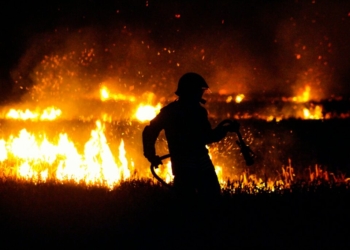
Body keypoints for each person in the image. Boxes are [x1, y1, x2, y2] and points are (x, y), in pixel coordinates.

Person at [142, 72, 239, 198]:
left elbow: (149, 131)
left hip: (184, 167)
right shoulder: (198, 112)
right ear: (192, 91)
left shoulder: (170, 111)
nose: (201, 94)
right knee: (210, 202)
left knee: (186, 206)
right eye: (200, 91)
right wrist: (225, 130)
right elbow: (207, 137)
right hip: (198, 167)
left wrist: (151, 155)